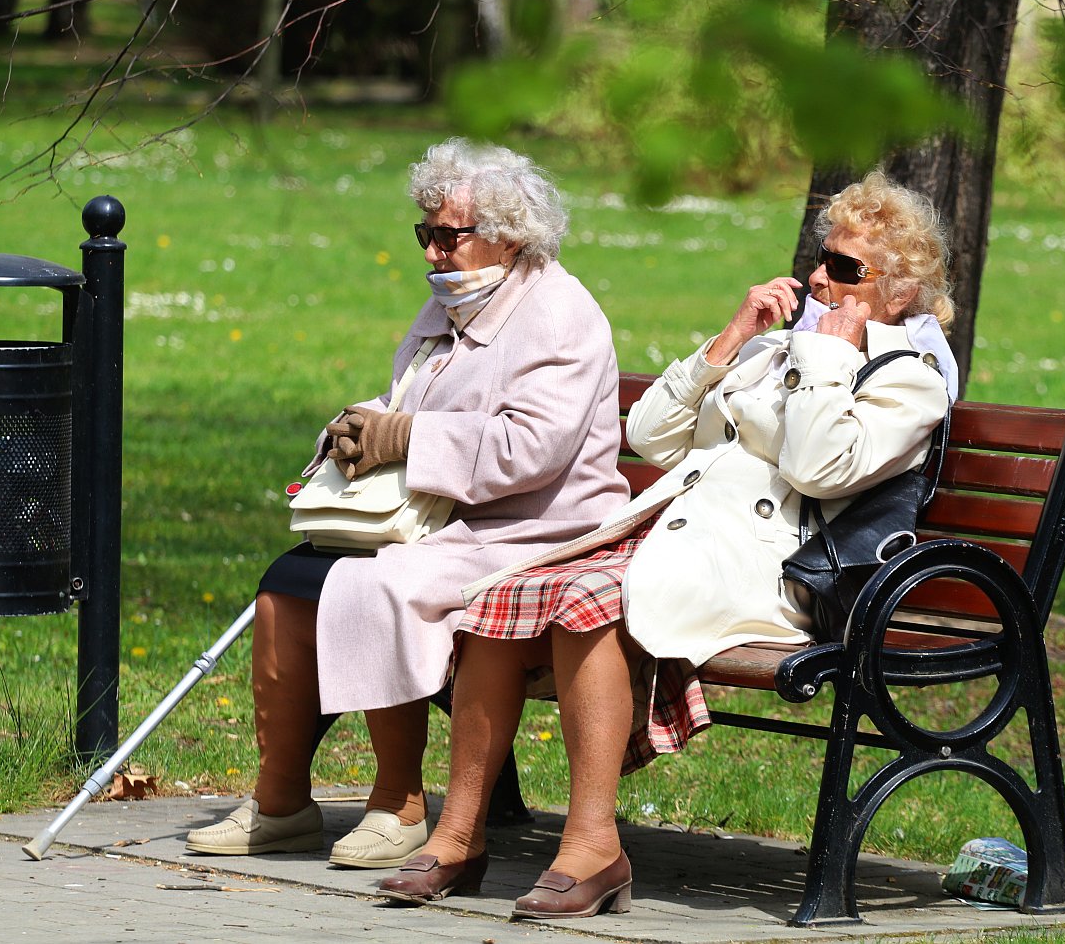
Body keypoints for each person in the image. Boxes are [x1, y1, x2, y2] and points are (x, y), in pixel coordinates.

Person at [374, 170, 956, 915]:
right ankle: (459, 834)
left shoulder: (906, 379)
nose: (817, 276)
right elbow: (648, 433)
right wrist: (735, 337)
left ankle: (593, 847)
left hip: (770, 577)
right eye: (821, 257)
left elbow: (819, 466)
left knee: (587, 599)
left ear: (899, 292)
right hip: (686, 541)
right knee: (507, 593)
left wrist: (829, 356)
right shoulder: (781, 351)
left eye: (845, 269)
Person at [185, 139, 629, 870]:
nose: (431, 252)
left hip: (538, 530)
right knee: (284, 587)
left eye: (446, 235)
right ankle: (281, 800)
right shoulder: (450, 301)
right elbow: (408, 403)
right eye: (423, 233)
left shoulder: (558, 313)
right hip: (446, 521)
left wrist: (406, 437)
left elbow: (531, 449)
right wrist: (361, 425)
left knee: (378, 582)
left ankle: (399, 801)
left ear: (508, 233)